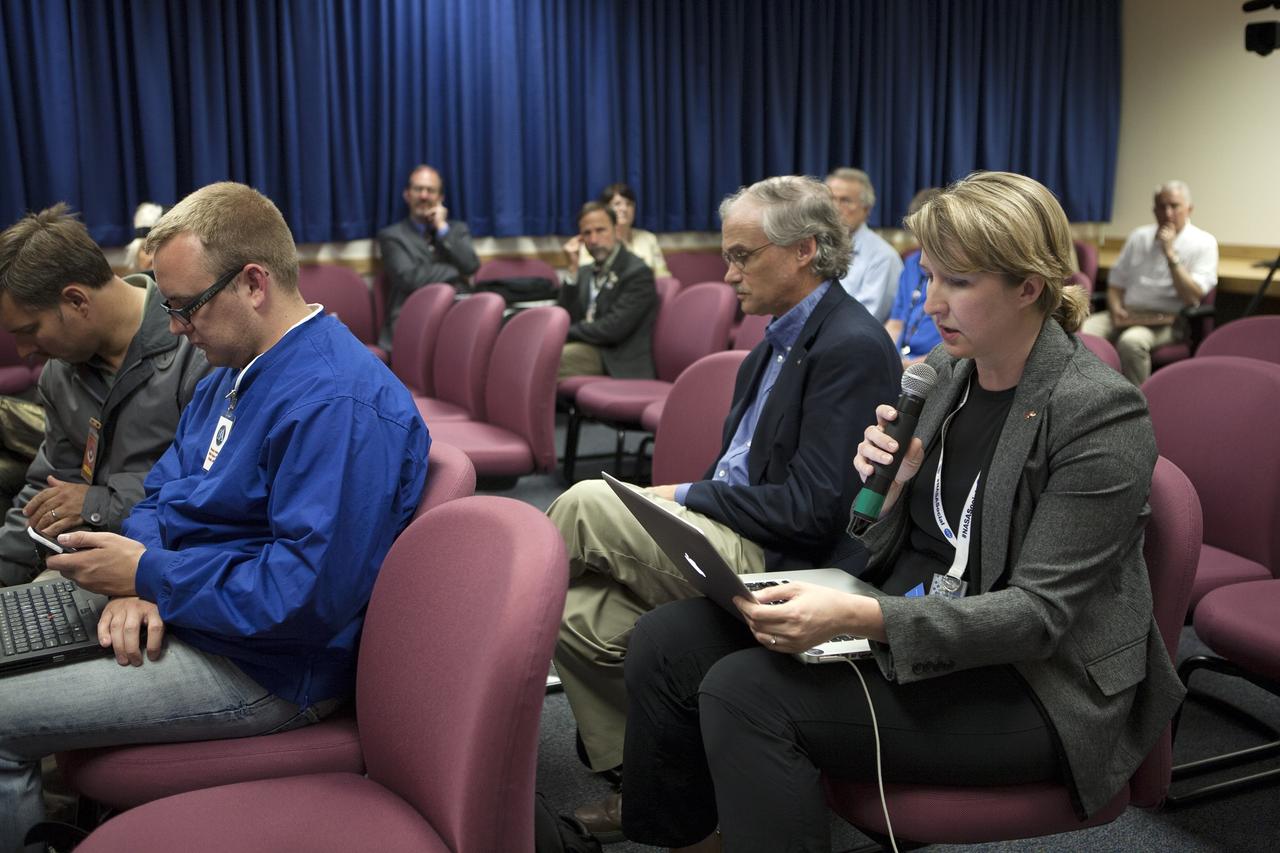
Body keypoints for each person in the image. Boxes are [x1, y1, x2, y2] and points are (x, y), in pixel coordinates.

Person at [619, 172, 1186, 852]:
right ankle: (687, 837)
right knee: (669, 640)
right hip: (916, 617)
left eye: (958, 282)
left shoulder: (1099, 412)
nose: (931, 302)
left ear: (1029, 287)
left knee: (748, 692)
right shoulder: (948, 374)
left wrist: (864, 617)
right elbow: (903, 537)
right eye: (927, 277)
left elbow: (1038, 617)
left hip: (1031, 684)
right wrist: (887, 499)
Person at [0, 182, 429, 850]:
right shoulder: (230, 368)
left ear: (253, 283)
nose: (174, 327)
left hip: (270, 669)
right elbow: (164, 494)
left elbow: (302, 597)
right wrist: (141, 580)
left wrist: (151, 578)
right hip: (199, 615)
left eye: (184, 307)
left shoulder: (335, 402)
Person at [553, 175, 901, 838]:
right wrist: (690, 501)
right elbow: (740, 473)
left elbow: (814, 512)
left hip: (785, 559)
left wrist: (681, 495)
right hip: (733, 530)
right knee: (575, 616)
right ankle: (654, 785)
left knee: (581, 503)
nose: (728, 271)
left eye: (743, 256)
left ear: (803, 250)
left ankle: (469, 649)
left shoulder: (850, 346)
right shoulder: (772, 340)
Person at [0, 203, 208, 587]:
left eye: (29, 330)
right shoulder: (58, 376)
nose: (25, 351)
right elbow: (49, 487)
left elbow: (207, 487)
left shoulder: (198, 350)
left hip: (177, 566)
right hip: (89, 563)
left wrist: (97, 504)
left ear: (77, 300)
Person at [1081, 180, 1217, 385]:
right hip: (1126, 313)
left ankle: (1134, 408)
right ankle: (1091, 395)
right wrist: (1116, 307)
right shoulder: (1139, 236)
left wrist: (1170, 254)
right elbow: (1116, 283)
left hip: (1167, 321)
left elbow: (1192, 296)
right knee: (1078, 332)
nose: (1168, 213)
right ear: (1154, 210)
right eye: (1162, 206)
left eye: (1174, 206)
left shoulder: (1204, 242)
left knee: (1131, 342)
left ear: (1189, 209)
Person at [377, 164, 480, 348]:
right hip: (411, 320)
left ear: (440, 198)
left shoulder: (456, 230)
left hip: (455, 318)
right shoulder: (391, 236)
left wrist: (442, 229)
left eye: (430, 190)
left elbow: (471, 265)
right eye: (418, 189)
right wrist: (454, 271)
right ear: (407, 194)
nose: (424, 196)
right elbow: (409, 279)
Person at [556, 200, 659, 380]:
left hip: (614, 357)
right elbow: (565, 315)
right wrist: (572, 269)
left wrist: (564, 331)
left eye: (600, 230)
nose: (594, 240)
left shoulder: (636, 272)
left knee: (544, 359)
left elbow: (612, 329)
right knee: (535, 351)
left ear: (616, 231)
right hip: (587, 346)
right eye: (587, 233)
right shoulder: (586, 272)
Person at [827, 167, 903, 322]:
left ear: (866, 209)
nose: (834, 207)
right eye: (830, 199)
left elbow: (863, 320)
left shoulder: (883, 258)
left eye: (845, 200)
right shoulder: (816, 247)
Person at [884, 188, 944, 367]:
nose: (921, 240)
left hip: (931, 365)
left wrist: (903, 367)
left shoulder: (955, 270)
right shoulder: (911, 262)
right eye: (917, 232)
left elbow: (955, 354)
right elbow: (895, 323)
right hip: (901, 361)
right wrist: (884, 356)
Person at [565, 182, 671, 278]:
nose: (624, 209)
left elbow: (664, 278)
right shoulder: (594, 242)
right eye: (617, 204)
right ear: (605, 210)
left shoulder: (648, 239)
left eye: (629, 204)